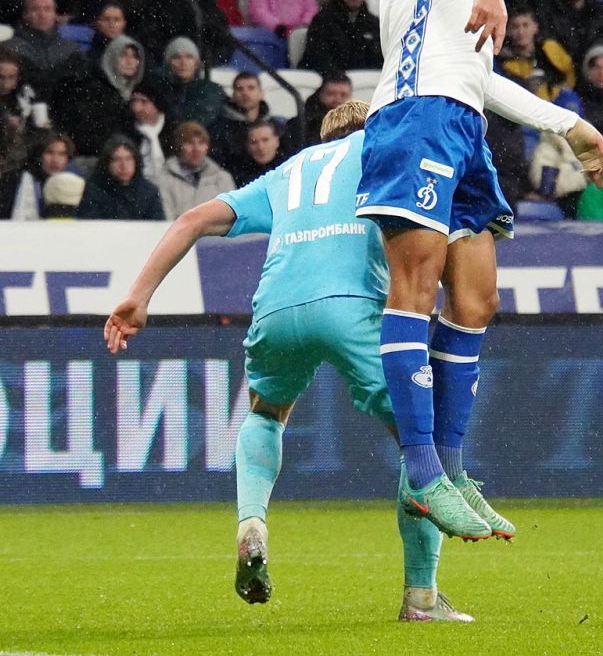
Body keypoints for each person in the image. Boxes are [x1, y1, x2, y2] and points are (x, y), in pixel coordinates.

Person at [104, 101, 474, 622]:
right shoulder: (384, 153)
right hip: (353, 306)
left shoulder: (289, 171)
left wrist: (139, 298)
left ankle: (251, 522)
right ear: (371, 129)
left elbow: (191, 220)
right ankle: (422, 598)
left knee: (265, 413)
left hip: (276, 306)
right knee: (421, 446)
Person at [354, 0, 603, 537]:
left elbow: (482, 80)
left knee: (476, 299)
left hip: (461, 123)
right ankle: (420, 472)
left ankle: (450, 463)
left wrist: (570, 125)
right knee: (416, 286)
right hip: (417, 116)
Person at [299, 0, 382, 75]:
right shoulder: (323, 19)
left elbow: (379, 57)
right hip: (328, 81)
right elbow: (318, 56)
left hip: (364, 82)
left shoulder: (373, 23)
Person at [158, 120, 235, 219]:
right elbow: (167, 216)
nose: (196, 149)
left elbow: (229, 217)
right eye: (189, 143)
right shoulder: (164, 178)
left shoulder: (222, 179)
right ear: (178, 147)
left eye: (201, 143)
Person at [77, 134, 165, 219]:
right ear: (107, 163)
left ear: (136, 161)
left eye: (128, 159)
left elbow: (157, 228)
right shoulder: (93, 191)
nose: (123, 165)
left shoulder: (149, 192)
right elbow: (89, 228)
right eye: (116, 159)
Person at [230, 118, 285, 186]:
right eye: (253, 142)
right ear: (247, 146)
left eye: (265, 140)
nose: (260, 147)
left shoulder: (290, 166)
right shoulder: (238, 173)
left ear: (277, 141)